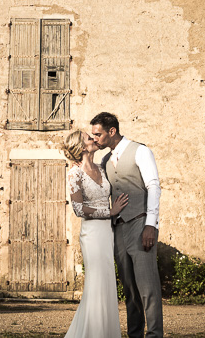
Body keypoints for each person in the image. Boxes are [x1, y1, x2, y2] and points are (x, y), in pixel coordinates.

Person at [90, 112, 163, 338]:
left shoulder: (140, 151)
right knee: (130, 289)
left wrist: (150, 225)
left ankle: (154, 335)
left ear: (112, 132)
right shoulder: (104, 160)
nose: (95, 139)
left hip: (141, 223)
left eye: (98, 134)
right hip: (119, 228)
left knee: (147, 288)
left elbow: (153, 186)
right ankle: (135, 335)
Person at [61, 130, 129, 338]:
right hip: (91, 234)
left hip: (107, 232)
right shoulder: (75, 173)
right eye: (89, 138)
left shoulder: (102, 168)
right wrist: (110, 212)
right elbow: (79, 209)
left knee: (108, 283)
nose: (94, 138)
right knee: (96, 283)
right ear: (82, 147)